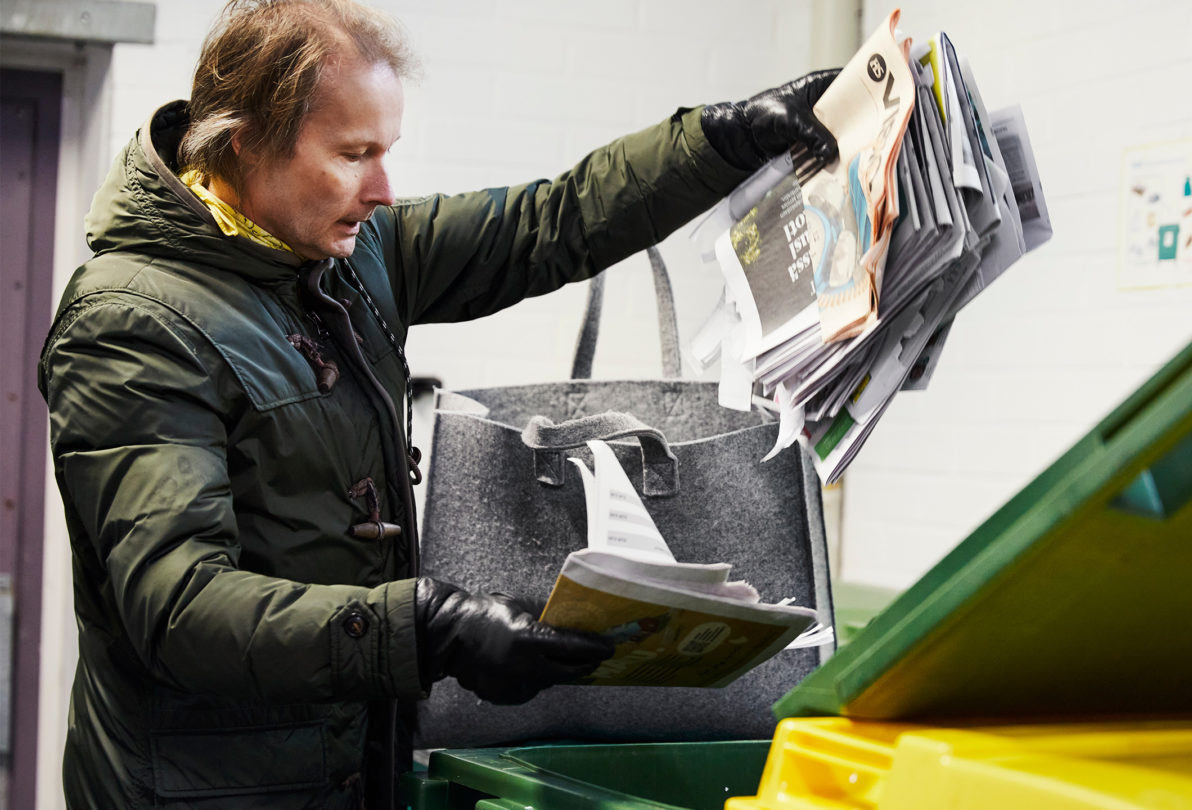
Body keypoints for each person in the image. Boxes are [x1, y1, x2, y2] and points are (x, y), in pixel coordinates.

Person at [36, 1, 838, 807]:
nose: (383, 190)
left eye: (385, 152)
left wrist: (725, 139)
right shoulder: (133, 324)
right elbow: (179, 608)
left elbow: (552, 222)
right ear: (244, 142)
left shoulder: (352, 257)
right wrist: (429, 627)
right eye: (353, 155)